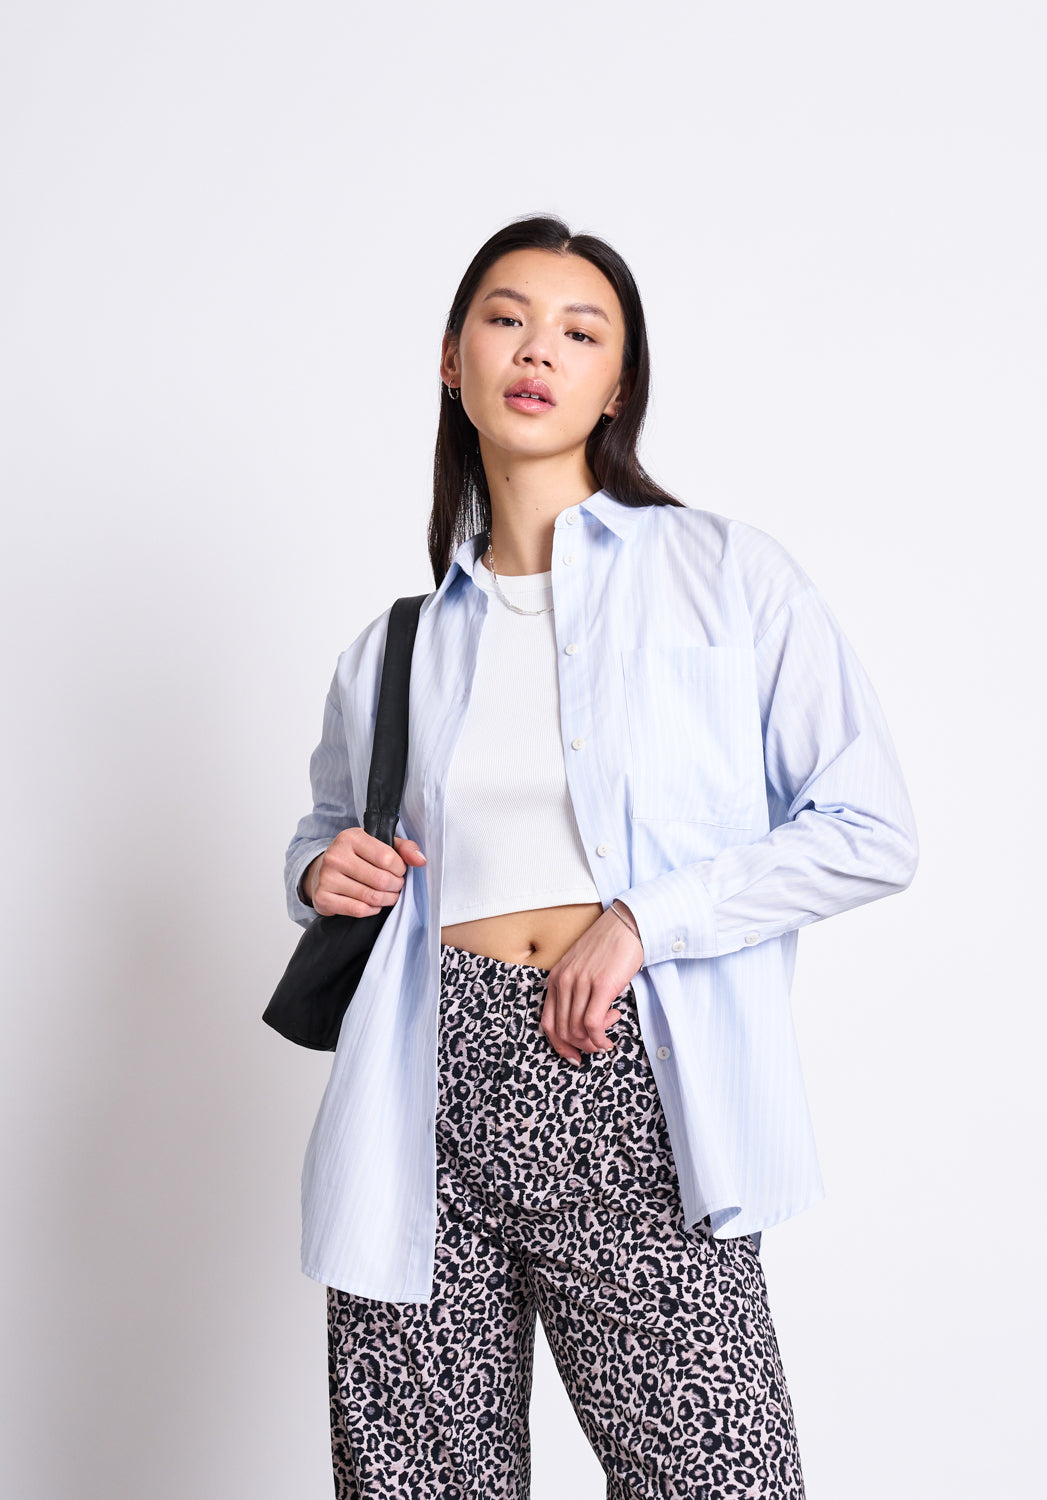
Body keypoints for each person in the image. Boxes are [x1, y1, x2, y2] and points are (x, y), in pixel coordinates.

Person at [282, 213, 919, 1499]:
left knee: (717, 1477)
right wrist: (315, 873)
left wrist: (645, 918)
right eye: (506, 319)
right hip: (422, 1094)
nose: (539, 351)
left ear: (617, 384)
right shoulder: (394, 647)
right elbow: (327, 831)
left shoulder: (725, 576)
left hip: (634, 1083)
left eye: (582, 332)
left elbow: (869, 829)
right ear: (452, 358)